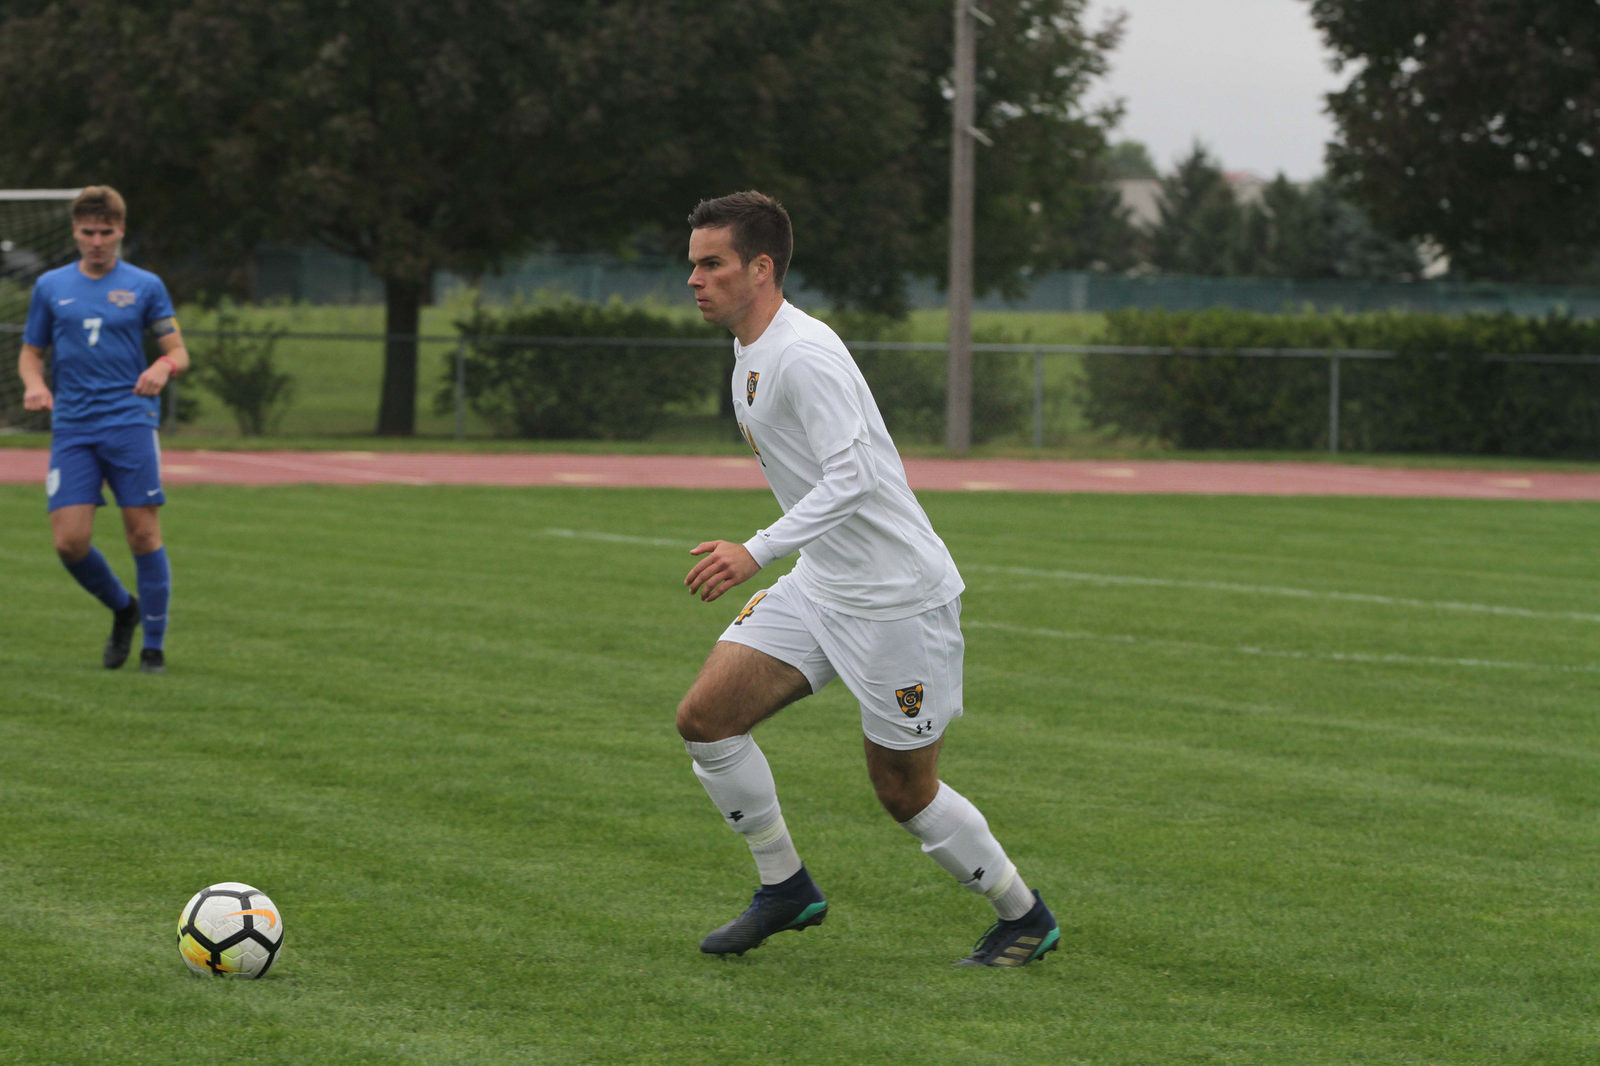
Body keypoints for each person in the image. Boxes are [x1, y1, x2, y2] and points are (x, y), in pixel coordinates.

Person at [677, 191, 1058, 966]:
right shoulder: (752, 349)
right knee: (706, 720)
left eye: (712, 264)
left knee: (904, 791)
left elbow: (851, 477)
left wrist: (756, 548)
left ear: (761, 268)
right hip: (823, 586)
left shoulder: (802, 353)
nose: (695, 279)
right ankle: (786, 889)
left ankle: (1023, 915)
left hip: (895, 602)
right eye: (692, 265)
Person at [16, 185, 189, 674]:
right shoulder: (51, 286)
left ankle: (153, 647)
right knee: (69, 542)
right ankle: (123, 609)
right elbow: (32, 353)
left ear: (121, 231)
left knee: (142, 535)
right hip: (72, 426)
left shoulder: (146, 285)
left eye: (106, 232)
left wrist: (162, 368)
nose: (97, 241)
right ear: (74, 231)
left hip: (130, 421)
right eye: (88, 232)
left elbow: (178, 351)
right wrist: (34, 383)